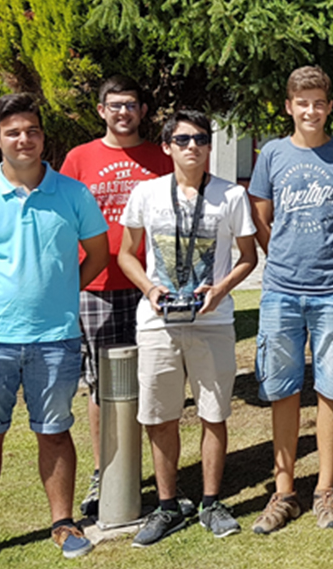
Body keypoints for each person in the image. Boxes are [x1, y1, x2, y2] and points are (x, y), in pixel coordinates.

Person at [0, 93, 109, 569]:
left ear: (42, 136)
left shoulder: (72, 194)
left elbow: (96, 253)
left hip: (55, 337)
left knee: (54, 431)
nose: (24, 139)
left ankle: (63, 522)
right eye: (13, 132)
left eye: (31, 130)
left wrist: (61, 291)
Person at [117, 109, 258, 546]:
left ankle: (212, 502)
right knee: (161, 416)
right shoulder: (147, 193)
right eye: (182, 140)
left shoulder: (231, 196)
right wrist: (149, 288)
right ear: (167, 146)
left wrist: (220, 289)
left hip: (212, 320)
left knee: (214, 414)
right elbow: (125, 253)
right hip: (158, 322)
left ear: (209, 145)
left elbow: (248, 257)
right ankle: (166, 505)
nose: (192, 146)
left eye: (200, 138)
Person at [248, 66, 333, 534]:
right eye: (302, 103)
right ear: (289, 106)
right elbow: (260, 214)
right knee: (282, 389)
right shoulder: (273, 154)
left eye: (319, 102)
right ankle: (284, 493)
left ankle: (325, 490)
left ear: (329, 106)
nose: (311, 111)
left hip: (332, 293)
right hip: (281, 290)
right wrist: (278, 255)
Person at [60, 77, 172, 518]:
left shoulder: (161, 159)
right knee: (101, 385)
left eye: (130, 105)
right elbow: (63, 220)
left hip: (154, 287)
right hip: (98, 287)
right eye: (114, 105)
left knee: (155, 381)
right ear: (101, 110)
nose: (123, 112)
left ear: (143, 111)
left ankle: (157, 476)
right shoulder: (79, 158)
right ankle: (105, 472)